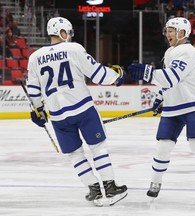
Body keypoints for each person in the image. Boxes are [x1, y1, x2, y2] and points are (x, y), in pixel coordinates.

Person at [26, 17, 127, 207]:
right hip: (83, 108)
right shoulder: (74, 49)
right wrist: (117, 76)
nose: (70, 37)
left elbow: (33, 88)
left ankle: (94, 189)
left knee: (75, 154)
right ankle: (110, 187)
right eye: (69, 33)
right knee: (98, 147)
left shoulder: (34, 57)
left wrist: (37, 110)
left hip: (57, 115)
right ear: (63, 32)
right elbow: (97, 73)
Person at [127, 17, 195, 206]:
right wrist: (160, 97)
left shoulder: (187, 51)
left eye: (171, 30)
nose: (167, 34)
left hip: (193, 105)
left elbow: (172, 77)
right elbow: (167, 82)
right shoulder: (171, 51)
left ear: (182, 32)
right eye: (167, 30)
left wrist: (147, 73)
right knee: (163, 146)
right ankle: (155, 183)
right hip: (173, 106)